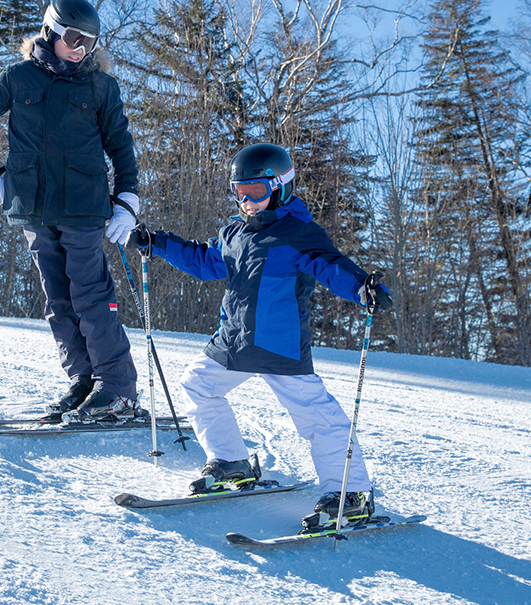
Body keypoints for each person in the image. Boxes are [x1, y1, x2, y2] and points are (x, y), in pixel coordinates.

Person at [125, 143, 392, 530]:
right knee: (197, 385)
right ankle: (231, 462)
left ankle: (348, 493)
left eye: (256, 192)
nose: (247, 202)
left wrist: (362, 288)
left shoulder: (299, 233)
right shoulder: (233, 233)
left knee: (320, 419)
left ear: (281, 187)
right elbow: (205, 261)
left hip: (279, 347)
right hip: (232, 343)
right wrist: (159, 243)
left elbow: (333, 266)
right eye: (239, 192)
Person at [0, 0, 143, 423]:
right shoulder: (19, 77)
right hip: (32, 206)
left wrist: (127, 201)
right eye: (75, 38)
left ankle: (116, 387)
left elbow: (121, 146)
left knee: (89, 295)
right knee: (57, 300)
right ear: (52, 31)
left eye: (90, 42)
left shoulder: (101, 87)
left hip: (83, 206)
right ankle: (84, 380)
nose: (81, 48)